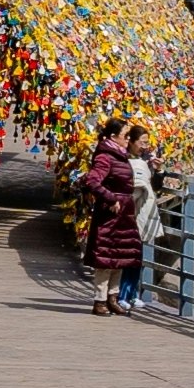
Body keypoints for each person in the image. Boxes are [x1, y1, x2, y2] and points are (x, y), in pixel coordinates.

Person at [75, 119, 154, 313]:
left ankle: (113, 297)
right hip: (111, 213)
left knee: (121, 256)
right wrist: (111, 198)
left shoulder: (121, 156)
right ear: (113, 137)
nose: (128, 139)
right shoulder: (105, 156)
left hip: (125, 212)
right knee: (106, 257)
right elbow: (93, 181)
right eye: (125, 135)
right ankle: (100, 300)